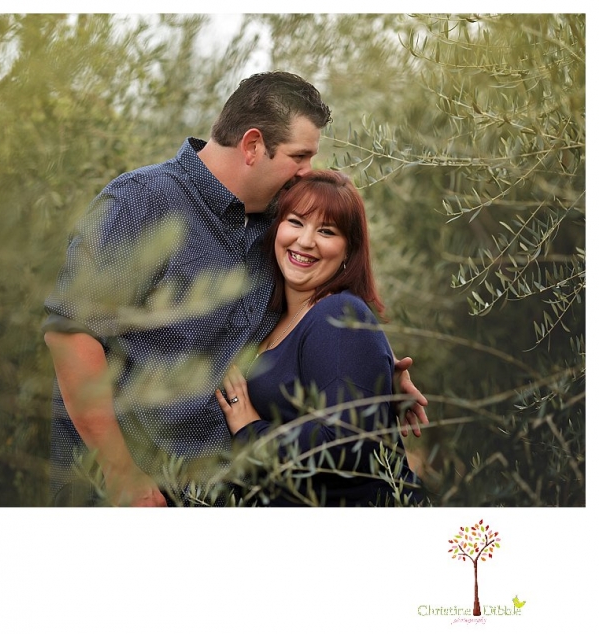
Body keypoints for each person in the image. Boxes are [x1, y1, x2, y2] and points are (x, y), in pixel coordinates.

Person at [43, 71, 428, 507]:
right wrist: (121, 476)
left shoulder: (274, 227)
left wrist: (376, 373)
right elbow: (71, 335)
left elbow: (302, 322)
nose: (307, 172)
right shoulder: (142, 202)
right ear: (252, 146)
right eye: (300, 157)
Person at [216, 170, 422, 506]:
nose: (306, 241)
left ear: (348, 251)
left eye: (326, 231)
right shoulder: (276, 317)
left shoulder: (339, 314)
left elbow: (345, 445)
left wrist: (251, 431)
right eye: (296, 222)